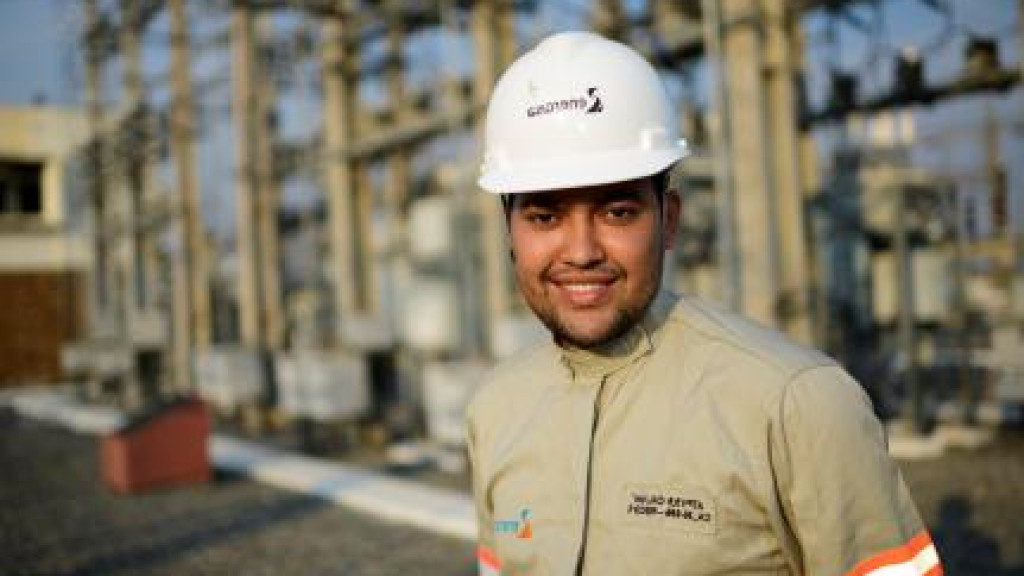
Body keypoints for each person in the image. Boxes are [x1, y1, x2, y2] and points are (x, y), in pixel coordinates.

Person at [465, 31, 943, 576]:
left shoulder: (796, 405)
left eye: (617, 212)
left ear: (668, 219)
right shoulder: (495, 411)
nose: (581, 252)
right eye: (545, 217)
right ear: (509, 230)